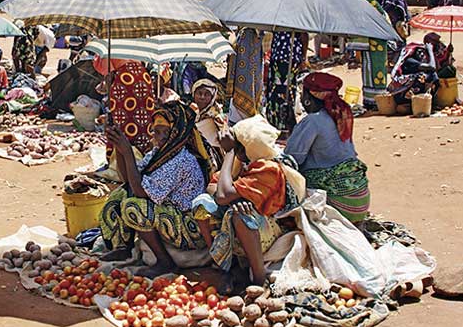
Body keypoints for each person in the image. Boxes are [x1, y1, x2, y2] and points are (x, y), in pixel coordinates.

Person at [98, 101, 212, 276]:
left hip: (189, 226)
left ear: (178, 132)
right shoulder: (159, 154)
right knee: (119, 194)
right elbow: (128, 180)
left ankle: (164, 261)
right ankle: (123, 246)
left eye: (167, 132)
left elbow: (140, 192)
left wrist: (128, 152)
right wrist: (119, 149)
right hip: (169, 213)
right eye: (157, 132)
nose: (160, 137)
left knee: (134, 207)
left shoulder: (181, 159)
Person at [194, 116, 305, 290]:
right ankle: (224, 265)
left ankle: (259, 278)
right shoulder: (243, 162)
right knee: (201, 203)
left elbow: (223, 195)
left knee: (241, 215)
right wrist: (236, 197)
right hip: (249, 226)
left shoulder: (268, 169)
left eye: (238, 144)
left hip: (271, 231)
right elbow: (212, 188)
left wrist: (229, 153)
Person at [283, 72, 370, 222]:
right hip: (359, 197)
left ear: (309, 98)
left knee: (284, 174)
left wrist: (292, 127)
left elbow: (293, 159)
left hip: (341, 201)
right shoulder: (342, 114)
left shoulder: (312, 121)